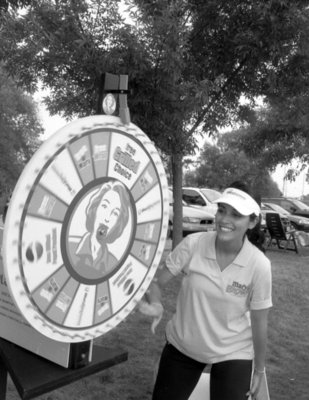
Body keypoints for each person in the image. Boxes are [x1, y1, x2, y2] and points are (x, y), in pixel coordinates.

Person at [141, 184, 272, 400]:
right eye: (221, 210)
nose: (224, 220)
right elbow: (156, 283)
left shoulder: (259, 265)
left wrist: (259, 369)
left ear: (252, 221)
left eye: (236, 215)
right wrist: (155, 303)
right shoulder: (194, 244)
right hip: (184, 344)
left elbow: (259, 322)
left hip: (233, 351)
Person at [69, 180, 130, 277]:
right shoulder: (70, 247)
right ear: (95, 208)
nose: (107, 218)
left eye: (115, 213)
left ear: (118, 223)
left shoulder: (113, 264)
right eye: (104, 206)